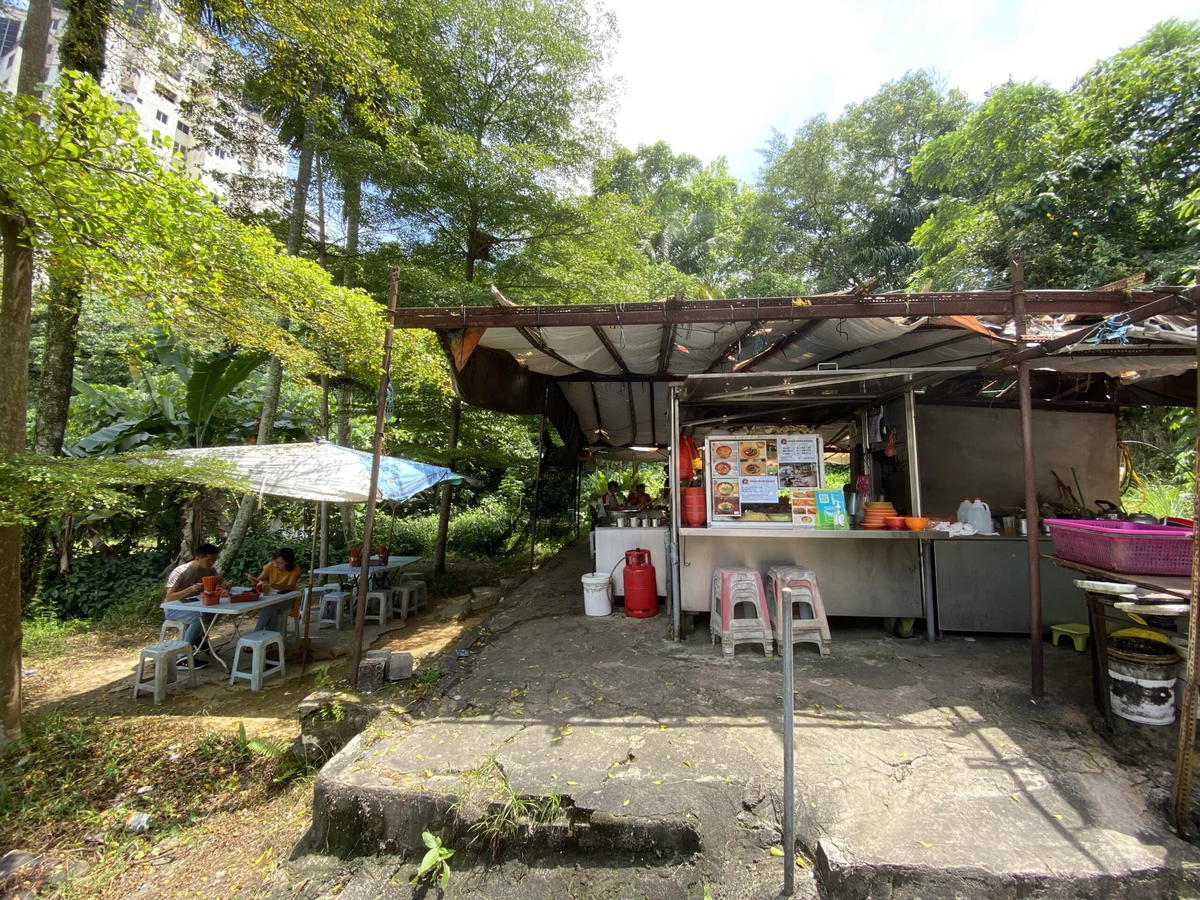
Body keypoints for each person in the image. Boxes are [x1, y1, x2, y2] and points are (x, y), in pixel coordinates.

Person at [164, 543, 225, 669]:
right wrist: (191, 589)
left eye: (214, 560)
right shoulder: (180, 572)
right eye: (209, 560)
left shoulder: (210, 570)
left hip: (196, 605)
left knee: (219, 612)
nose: (211, 563)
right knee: (198, 617)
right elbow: (169, 597)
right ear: (198, 557)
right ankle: (182, 657)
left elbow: (217, 587)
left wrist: (224, 586)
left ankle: (199, 639)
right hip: (175, 608)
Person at [253, 548, 302, 633]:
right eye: (275, 561)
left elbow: (289, 587)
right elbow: (259, 581)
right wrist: (254, 580)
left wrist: (272, 585)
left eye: (280, 563)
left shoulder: (295, 569)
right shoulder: (270, 566)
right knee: (270, 607)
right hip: (272, 598)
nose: (276, 565)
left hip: (287, 599)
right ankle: (271, 638)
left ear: (288, 563)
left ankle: (257, 632)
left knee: (270, 606)